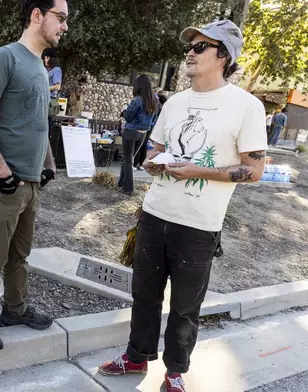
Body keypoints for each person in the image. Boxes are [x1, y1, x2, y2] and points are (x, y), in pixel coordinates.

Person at [99, 20, 266, 392]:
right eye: (189, 46)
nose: (189, 52)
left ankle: (175, 372)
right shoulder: (174, 101)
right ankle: (136, 356)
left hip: (199, 226)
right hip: (155, 215)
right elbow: (156, 149)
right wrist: (151, 161)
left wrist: (198, 170)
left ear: (223, 56)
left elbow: (253, 170)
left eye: (200, 46)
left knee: (186, 306)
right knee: (143, 293)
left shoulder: (246, 106)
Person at [0, 0, 67, 351]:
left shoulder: (40, 67)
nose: (64, 27)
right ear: (37, 15)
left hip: (32, 181)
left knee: (20, 254)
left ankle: (14, 309)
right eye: (61, 18)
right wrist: (3, 172)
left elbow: (39, 122)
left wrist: (49, 162)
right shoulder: (5, 57)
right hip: (2, 180)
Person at [117, 75, 158, 195]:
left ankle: (128, 188)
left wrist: (123, 112)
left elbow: (129, 116)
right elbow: (154, 119)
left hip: (131, 131)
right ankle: (121, 183)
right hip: (143, 133)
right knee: (128, 159)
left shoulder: (137, 100)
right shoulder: (155, 100)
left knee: (128, 160)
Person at [134, 91, 168, 170]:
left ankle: (138, 163)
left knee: (142, 144)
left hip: (147, 127)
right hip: (149, 127)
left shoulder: (154, 106)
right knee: (142, 144)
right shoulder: (157, 107)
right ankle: (138, 163)